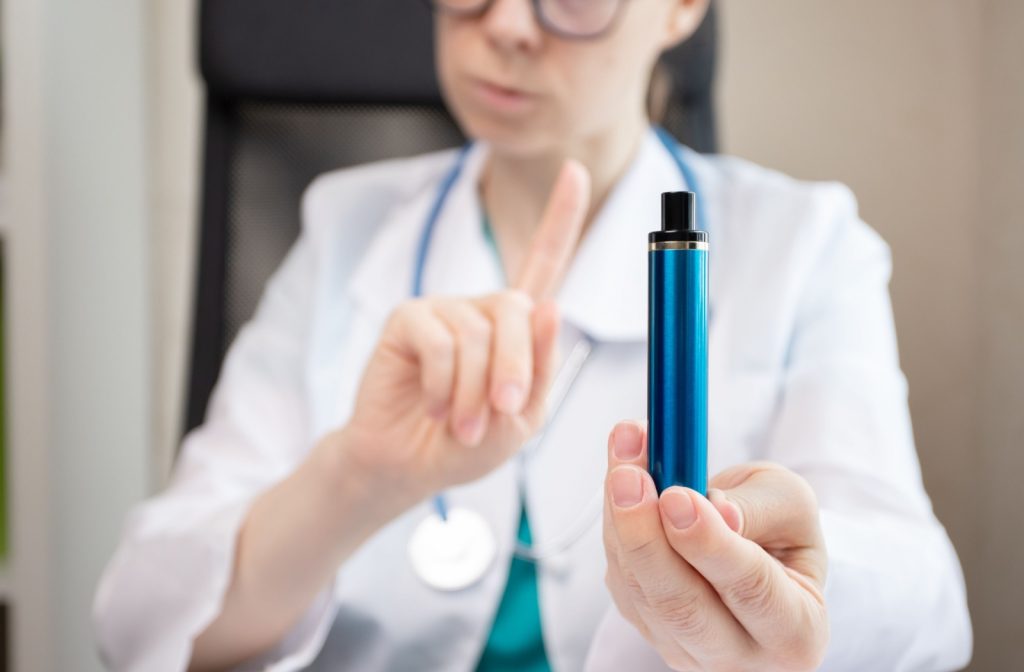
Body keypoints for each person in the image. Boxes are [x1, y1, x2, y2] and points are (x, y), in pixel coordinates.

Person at [93, 0, 973, 670]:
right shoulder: (342, 230)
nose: (508, 24)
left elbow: (928, 612)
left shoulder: (804, 244)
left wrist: (791, 577)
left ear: (681, 9)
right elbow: (135, 617)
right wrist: (356, 478)